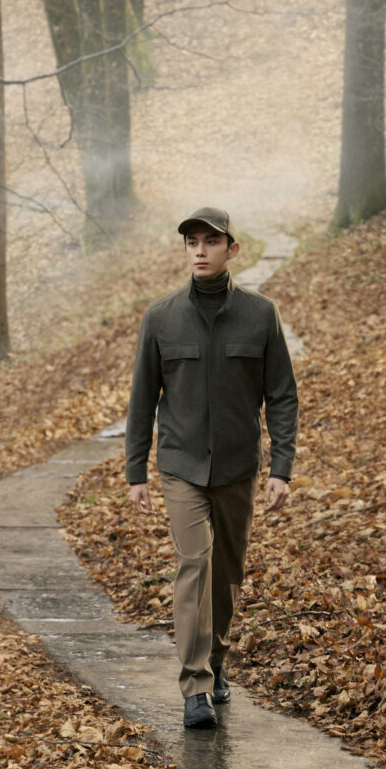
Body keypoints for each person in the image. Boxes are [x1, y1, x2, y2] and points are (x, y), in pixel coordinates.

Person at [125, 206, 298, 729]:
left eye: (210, 241)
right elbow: (142, 399)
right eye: (191, 242)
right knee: (195, 564)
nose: (199, 250)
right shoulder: (161, 317)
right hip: (181, 466)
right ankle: (195, 685)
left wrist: (281, 467)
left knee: (226, 573)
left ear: (231, 249)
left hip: (238, 466)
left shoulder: (260, 314)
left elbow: (281, 395)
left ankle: (216, 659)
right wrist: (136, 472)